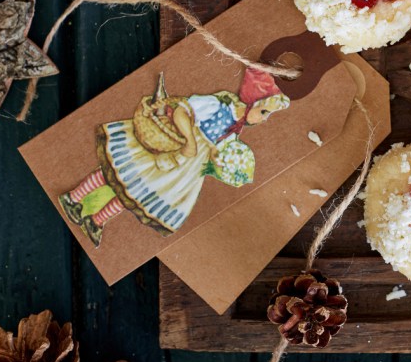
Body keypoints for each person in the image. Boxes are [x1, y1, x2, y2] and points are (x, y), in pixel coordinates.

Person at [59, 68, 290, 247]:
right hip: (175, 145)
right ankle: (73, 198)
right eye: (264, 112)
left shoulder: (236, 127)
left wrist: (217, 157)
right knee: (123, 170)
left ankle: (96, 221)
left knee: (139, 193)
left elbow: (217, 144)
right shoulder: (218, 105)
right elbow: (182, 110)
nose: (264, 119)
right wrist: (190, 140)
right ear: (251, 103)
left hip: (187, 168)